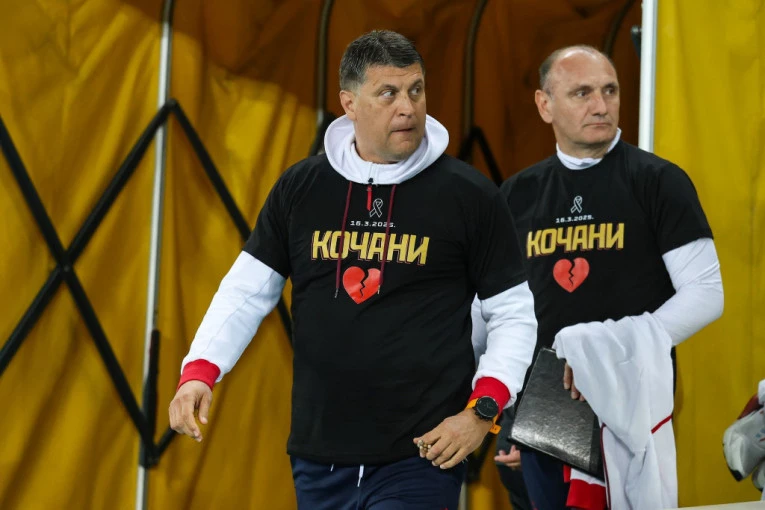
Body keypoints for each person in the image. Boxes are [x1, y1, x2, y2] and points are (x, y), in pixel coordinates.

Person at [168, 30, 538, 510]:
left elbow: (513, 313)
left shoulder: (469, 195)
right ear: (349, 104)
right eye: (388, 93)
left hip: (422, 455)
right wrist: (199, 371)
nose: (407, 107)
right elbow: (247, 290)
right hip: (318, 454)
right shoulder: (301, 188)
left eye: (416, 90)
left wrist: (482, 412)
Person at [474, 45, 724, 509]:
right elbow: (489, 311)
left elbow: (706, 293)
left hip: (628, 399)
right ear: (544, 104)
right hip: (542, 410)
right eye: (582, 93)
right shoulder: (517, 194)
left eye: (610, 91)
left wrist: (610, 347)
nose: (601, 105)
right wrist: (498, 408)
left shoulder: (658, 181)